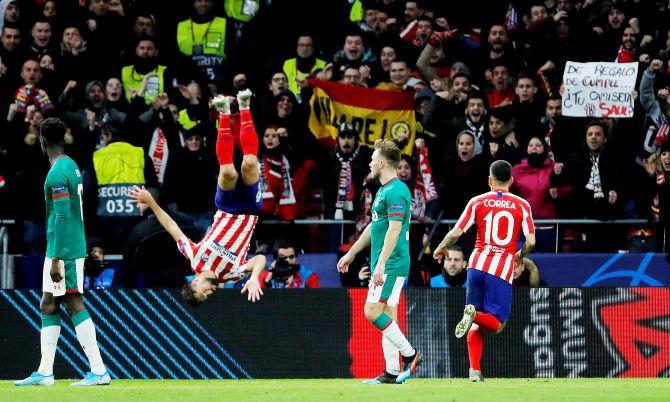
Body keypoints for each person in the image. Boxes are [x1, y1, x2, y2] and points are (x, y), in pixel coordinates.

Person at [130, 89, 265, 306]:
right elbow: (259, 259)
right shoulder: (232, 276)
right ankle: (245, 107)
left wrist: (152, 201)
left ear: (194, 282)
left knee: (229, 171)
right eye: (208, 296)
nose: (209, 292)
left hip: (227, 207)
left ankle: (223, 113)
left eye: (203, 293)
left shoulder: (194, 257)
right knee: (250, 162)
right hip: (250, 209)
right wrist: (255, 278)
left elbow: (172, 227)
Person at [15, 118, 110, 386]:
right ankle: (45, 372)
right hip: (62, 247)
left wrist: (56, 258)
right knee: (48, 303)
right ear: (64, 137)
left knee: (72, 302)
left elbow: (63, 217)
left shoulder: (57, 174)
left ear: (43, 141)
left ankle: (99, 370)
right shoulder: (71, 166)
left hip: (63, 251)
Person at [433, 160, 536, 382]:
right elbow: (531, 241)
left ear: (489, 180)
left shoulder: (477, 201)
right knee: (497, 325)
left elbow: (456, 232)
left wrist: (441, 248)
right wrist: (520, 254)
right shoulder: (522, 205)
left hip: (476, 265)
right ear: (511, 180)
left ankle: (474, 371)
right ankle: (473, 316)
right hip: (500, 269)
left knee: (476, 320)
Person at [337, 139, 423, 385]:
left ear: (383, 163)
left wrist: (382, 263)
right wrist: (352, 252)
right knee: (388, 316)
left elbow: (394, 229)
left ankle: (411, 355)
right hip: (388, 262)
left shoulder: (396, 190)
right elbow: (375, 227)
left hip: (392, 263)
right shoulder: (384, 190)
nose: (371, 163)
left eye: (374, 160)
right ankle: (392, 372)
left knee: (372, 311)